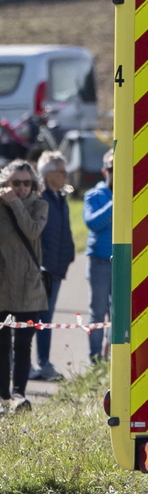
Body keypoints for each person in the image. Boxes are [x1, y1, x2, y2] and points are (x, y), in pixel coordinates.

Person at [0, 159, 49, 414]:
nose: (21, 188)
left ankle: (19, 394)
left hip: (30, 288)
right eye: (15, 183)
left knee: (23, 344)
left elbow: (31, 232)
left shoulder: (39, 205)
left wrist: (15, 203)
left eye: (26, 183)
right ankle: (2, 397)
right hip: (3, 285)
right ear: (5, 183)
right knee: (1, 344)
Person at [31, 150, 75, 381]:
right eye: (61, 171)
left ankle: (43, 363)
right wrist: (43, 260)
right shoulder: (38, 199)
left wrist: (68, 256)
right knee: (33, 317)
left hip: (56, 270)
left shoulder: (60, 198)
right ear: (49, 174)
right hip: (41, 270)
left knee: (46, 318)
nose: (66, 175)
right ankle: (29, 365)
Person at [84, 149, 113, 363]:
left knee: (119, 313)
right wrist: (116, 204)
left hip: (123, 262)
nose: (117, 174)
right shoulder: (94, 195)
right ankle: (95, 359)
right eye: (113, 169)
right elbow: (92, 222)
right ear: (105, 171)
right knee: (98, 312)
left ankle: (112, 357)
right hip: (100, 262)